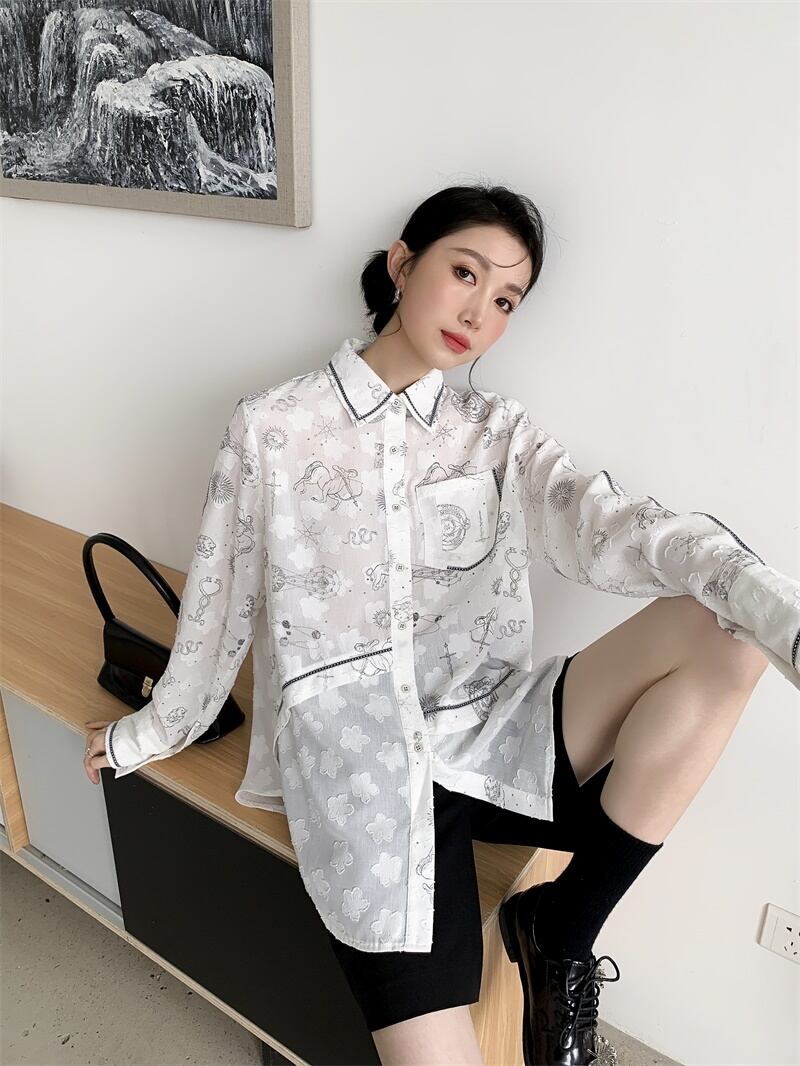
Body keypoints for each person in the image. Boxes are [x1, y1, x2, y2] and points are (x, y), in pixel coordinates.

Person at [84, 183, 797, 1066]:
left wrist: (783, 617)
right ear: (402, 263)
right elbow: (218, 598)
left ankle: (562, 933)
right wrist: (152, 730)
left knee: (726, 633)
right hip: (360, 771)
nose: (478, 313)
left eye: (506, 299)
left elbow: (607, 523)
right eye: (465, 273)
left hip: (488, 727)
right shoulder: (274, 426)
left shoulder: (495, 432)